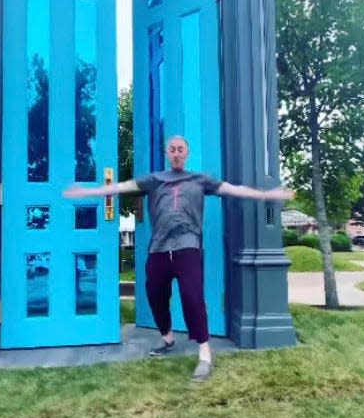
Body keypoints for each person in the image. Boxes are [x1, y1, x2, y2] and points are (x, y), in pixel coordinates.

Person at [64, 135, 294, 382]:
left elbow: (233, 189)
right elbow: (121, 187)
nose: (176, 153)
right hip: (159, 249)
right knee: (155, 295)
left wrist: (267, 196)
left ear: (187, 153)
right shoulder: (154, 180)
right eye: (172, 149)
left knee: (193, 299)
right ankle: (167, 337)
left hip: (188, 247)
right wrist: (88, 191)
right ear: (167, 153)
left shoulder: (200, 180)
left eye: (180, 149)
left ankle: (205, 354)